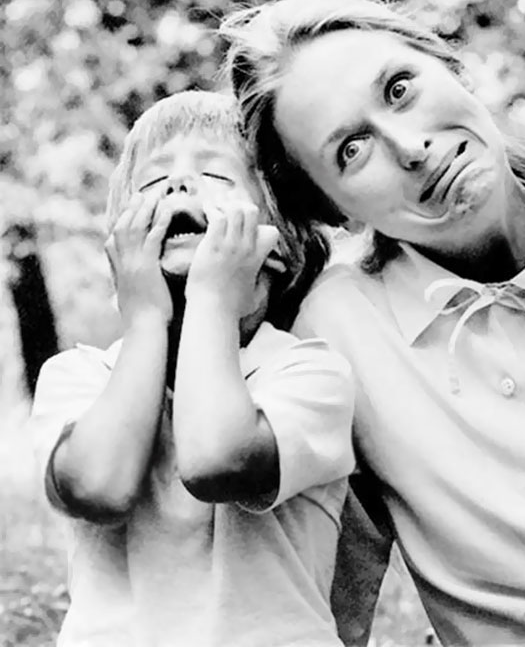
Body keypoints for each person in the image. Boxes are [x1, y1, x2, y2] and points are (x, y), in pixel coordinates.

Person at [220, 0, 525, 646]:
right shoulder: (337, 335)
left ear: (449, 66)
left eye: (398, 88)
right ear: (330, 206)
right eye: (349, 150)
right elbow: (319, 596)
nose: (411, 148)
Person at [30, 90, 355, 647]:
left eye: (217, 178)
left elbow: (215, 460)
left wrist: (210, 301)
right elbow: (99, 486)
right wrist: (146, 321)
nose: (178, 187)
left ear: (279, 244)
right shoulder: (78, 377)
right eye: (154, 183)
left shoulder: (308, 373)